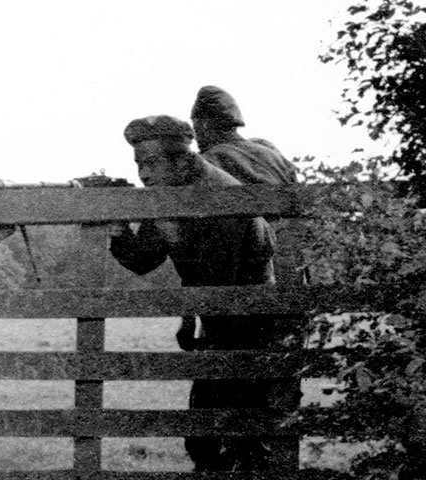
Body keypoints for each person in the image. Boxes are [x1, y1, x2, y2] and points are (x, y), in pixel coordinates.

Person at [108, 115, 280, 471]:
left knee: (245, 440)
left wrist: (170, 232)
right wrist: (118, 227)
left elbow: (219, 279)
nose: (144, 174)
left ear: (182, 158)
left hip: (255, 326)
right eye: (139, 164)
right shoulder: (168, 195)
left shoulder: (222, 195)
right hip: (220, 327)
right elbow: (144, 261)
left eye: (152, 163)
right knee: (203, 440)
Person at [190, 85, 298, 185]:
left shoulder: (207, 162)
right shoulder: (277, 159)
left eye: (195, 127)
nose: (195, 136)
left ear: (204, 124)